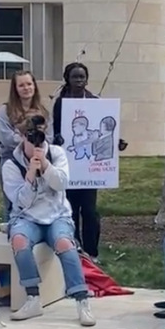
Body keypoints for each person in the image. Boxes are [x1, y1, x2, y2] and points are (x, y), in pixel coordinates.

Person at [0, 113, 95, 326]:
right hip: (27, 217)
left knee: (65, 244)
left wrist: (45, 165)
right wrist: (31, 175)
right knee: (19, 242)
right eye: (31, 139)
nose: (37, 144)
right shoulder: (11, 165)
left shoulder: (57, 153)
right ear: (22, 137)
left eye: (40, 139)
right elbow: (20, 202)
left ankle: (81, 300)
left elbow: (61, 184)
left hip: (57, 215)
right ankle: (33, 298)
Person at [51, 62, 128, 261]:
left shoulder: (95, 101)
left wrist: (116, 143)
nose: (79, 81)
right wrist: (58, 138)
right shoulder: (61, 103)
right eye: (75, 77)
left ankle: (92, 252)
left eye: (82, 77)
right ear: (67, 79)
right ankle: (74, 248)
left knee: (90, 211)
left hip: (90, 170)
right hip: (68, 165)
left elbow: (103, 132)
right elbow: (56, 130)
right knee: (71, 209)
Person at [0, 70, 50, 223]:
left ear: (34, 86)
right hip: (11, 160)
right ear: (15, 88)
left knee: (38, 199)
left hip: (39, 159)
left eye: (29, 84)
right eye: (21, 85)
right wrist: (30, 140)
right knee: (11, 200)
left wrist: (34, 144)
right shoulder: (5, 111)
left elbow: (49, 136)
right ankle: (11, 233)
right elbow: (6, 137)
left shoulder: (43, 111)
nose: (26, 88)